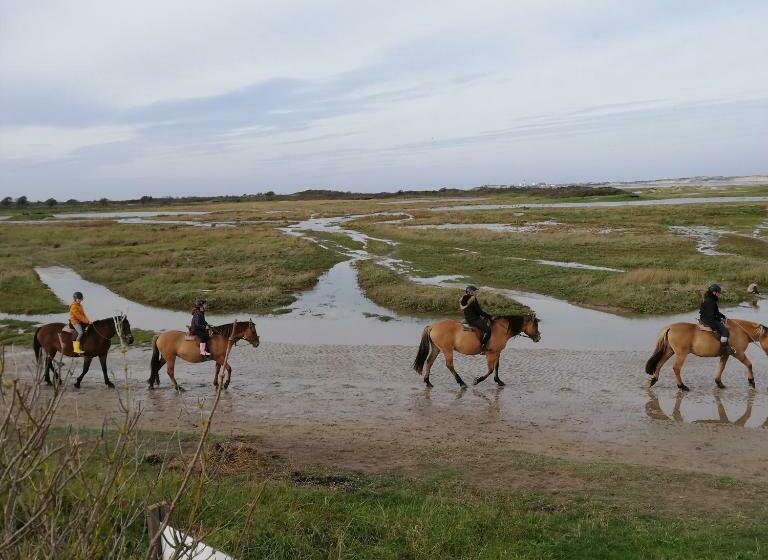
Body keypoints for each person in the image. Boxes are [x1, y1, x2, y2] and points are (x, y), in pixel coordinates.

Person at [699, 283, 733, 357]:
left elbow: (715, 312)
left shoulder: (708, 299)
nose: (719, 294)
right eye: (718, 292)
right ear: (714, 292)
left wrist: (723, 316)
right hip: (708, 320)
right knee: (725, 331)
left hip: (705, 318)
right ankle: (724, 351)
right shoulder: (710, 301)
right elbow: (711, 315)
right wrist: (714, 327)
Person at [460, 285, 492, 352]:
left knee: (485, 321)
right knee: (488, 330)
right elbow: (480, 312)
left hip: (468, 318)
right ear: (471, 292)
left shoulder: (463, 299)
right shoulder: (473, 299)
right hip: (474, 320)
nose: (476, 293)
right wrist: (489, 316)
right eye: (475, 291)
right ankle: (483, 346)